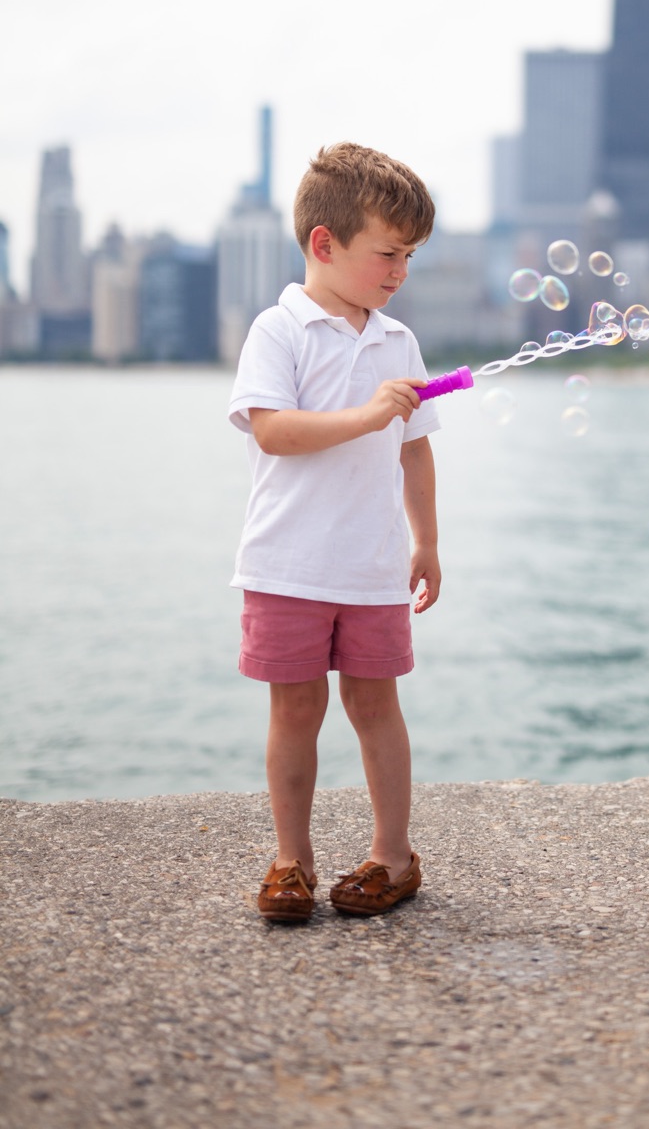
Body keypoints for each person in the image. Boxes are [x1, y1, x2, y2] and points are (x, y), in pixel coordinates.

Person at [228, 141, 441, 923]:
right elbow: (273, 431)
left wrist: (429, 542)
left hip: (372, 568)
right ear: (325, 243)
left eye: (410, 257)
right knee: (294, 713)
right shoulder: (278, 330)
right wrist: (370, 413)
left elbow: (415, 456)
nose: (400, 273)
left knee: (376, 705)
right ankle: (294, 861)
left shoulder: (398, 341)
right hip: (286, 565)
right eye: (388, 253)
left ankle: (393, 856)